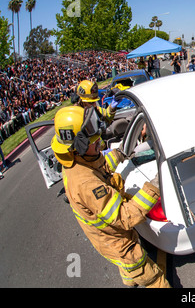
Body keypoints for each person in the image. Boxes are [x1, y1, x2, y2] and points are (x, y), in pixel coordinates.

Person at [51, 106, 171, 288]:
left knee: (128, 271)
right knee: (153, 279)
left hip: (109, 236)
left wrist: (120, 153)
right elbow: (126, 217)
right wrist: (155, 185)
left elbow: (102, 167)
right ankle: (138, 275)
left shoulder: (81, 161)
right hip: (120, 245)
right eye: (93, 140)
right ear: (78, 147)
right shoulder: (85, 184)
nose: (99, 140)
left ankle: (130, 280)